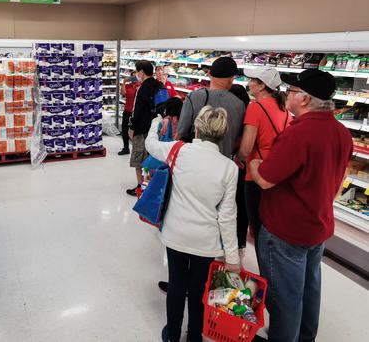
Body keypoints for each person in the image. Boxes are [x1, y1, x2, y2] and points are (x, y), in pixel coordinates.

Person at [250, 69, 352, 342]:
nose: (287, 96)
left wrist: (255, 163)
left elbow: (266, 180)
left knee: (284, 297)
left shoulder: (299, 134)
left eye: (291, 92)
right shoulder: (342, 132)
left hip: (286, 230)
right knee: (309, 290)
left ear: (305, 99)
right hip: (317, 226)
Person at [146, 106, 240, 342]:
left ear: (197, 128)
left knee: (177, 284)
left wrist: (156, 123)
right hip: (206, 241)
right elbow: (227, 215)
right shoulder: (229, 168)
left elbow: (151, 145)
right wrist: (232, 257)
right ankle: (194, 336)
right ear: (222, 134)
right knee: (199, 289)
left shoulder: (178, 151)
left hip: (176, 233)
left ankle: (172, 334)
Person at [236, 67, 291, 250]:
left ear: (261, 85)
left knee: (258, 228)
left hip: (256, 173)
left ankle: (265, 273)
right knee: (272, 226)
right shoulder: (284, 108)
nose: (249, 83)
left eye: (253, 80)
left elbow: (246, 148)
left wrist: (238, 157)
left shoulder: (255, 107)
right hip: (278, 171)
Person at [176, 56, 246, 158]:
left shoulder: (193, 97)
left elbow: (181, 133)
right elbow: (238, 139)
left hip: (195, 159)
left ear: (209, 74)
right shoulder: (239, 105)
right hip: (223, 162)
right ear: (231, 79)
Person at [127, 60, 163, 196]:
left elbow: (137, 110)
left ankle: (141, 188)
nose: (136, 74)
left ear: (141, 72)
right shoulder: (159, 85)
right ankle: (148, 184)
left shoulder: (142, 88)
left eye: (137, 71)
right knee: (149, 160)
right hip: (155, 128)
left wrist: (132, 127)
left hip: (142, 129)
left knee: (139, 160)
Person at [118, 71, 140, 155]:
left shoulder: (140, 86)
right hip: (127, 110)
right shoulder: (128, 86)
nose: (134, 79)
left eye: (136, 76)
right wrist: (124, 82)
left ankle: (137, 149)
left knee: (136, 130)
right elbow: (123, 93)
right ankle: (126, 148)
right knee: (124, 129)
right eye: (132, 77)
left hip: (136, 112)